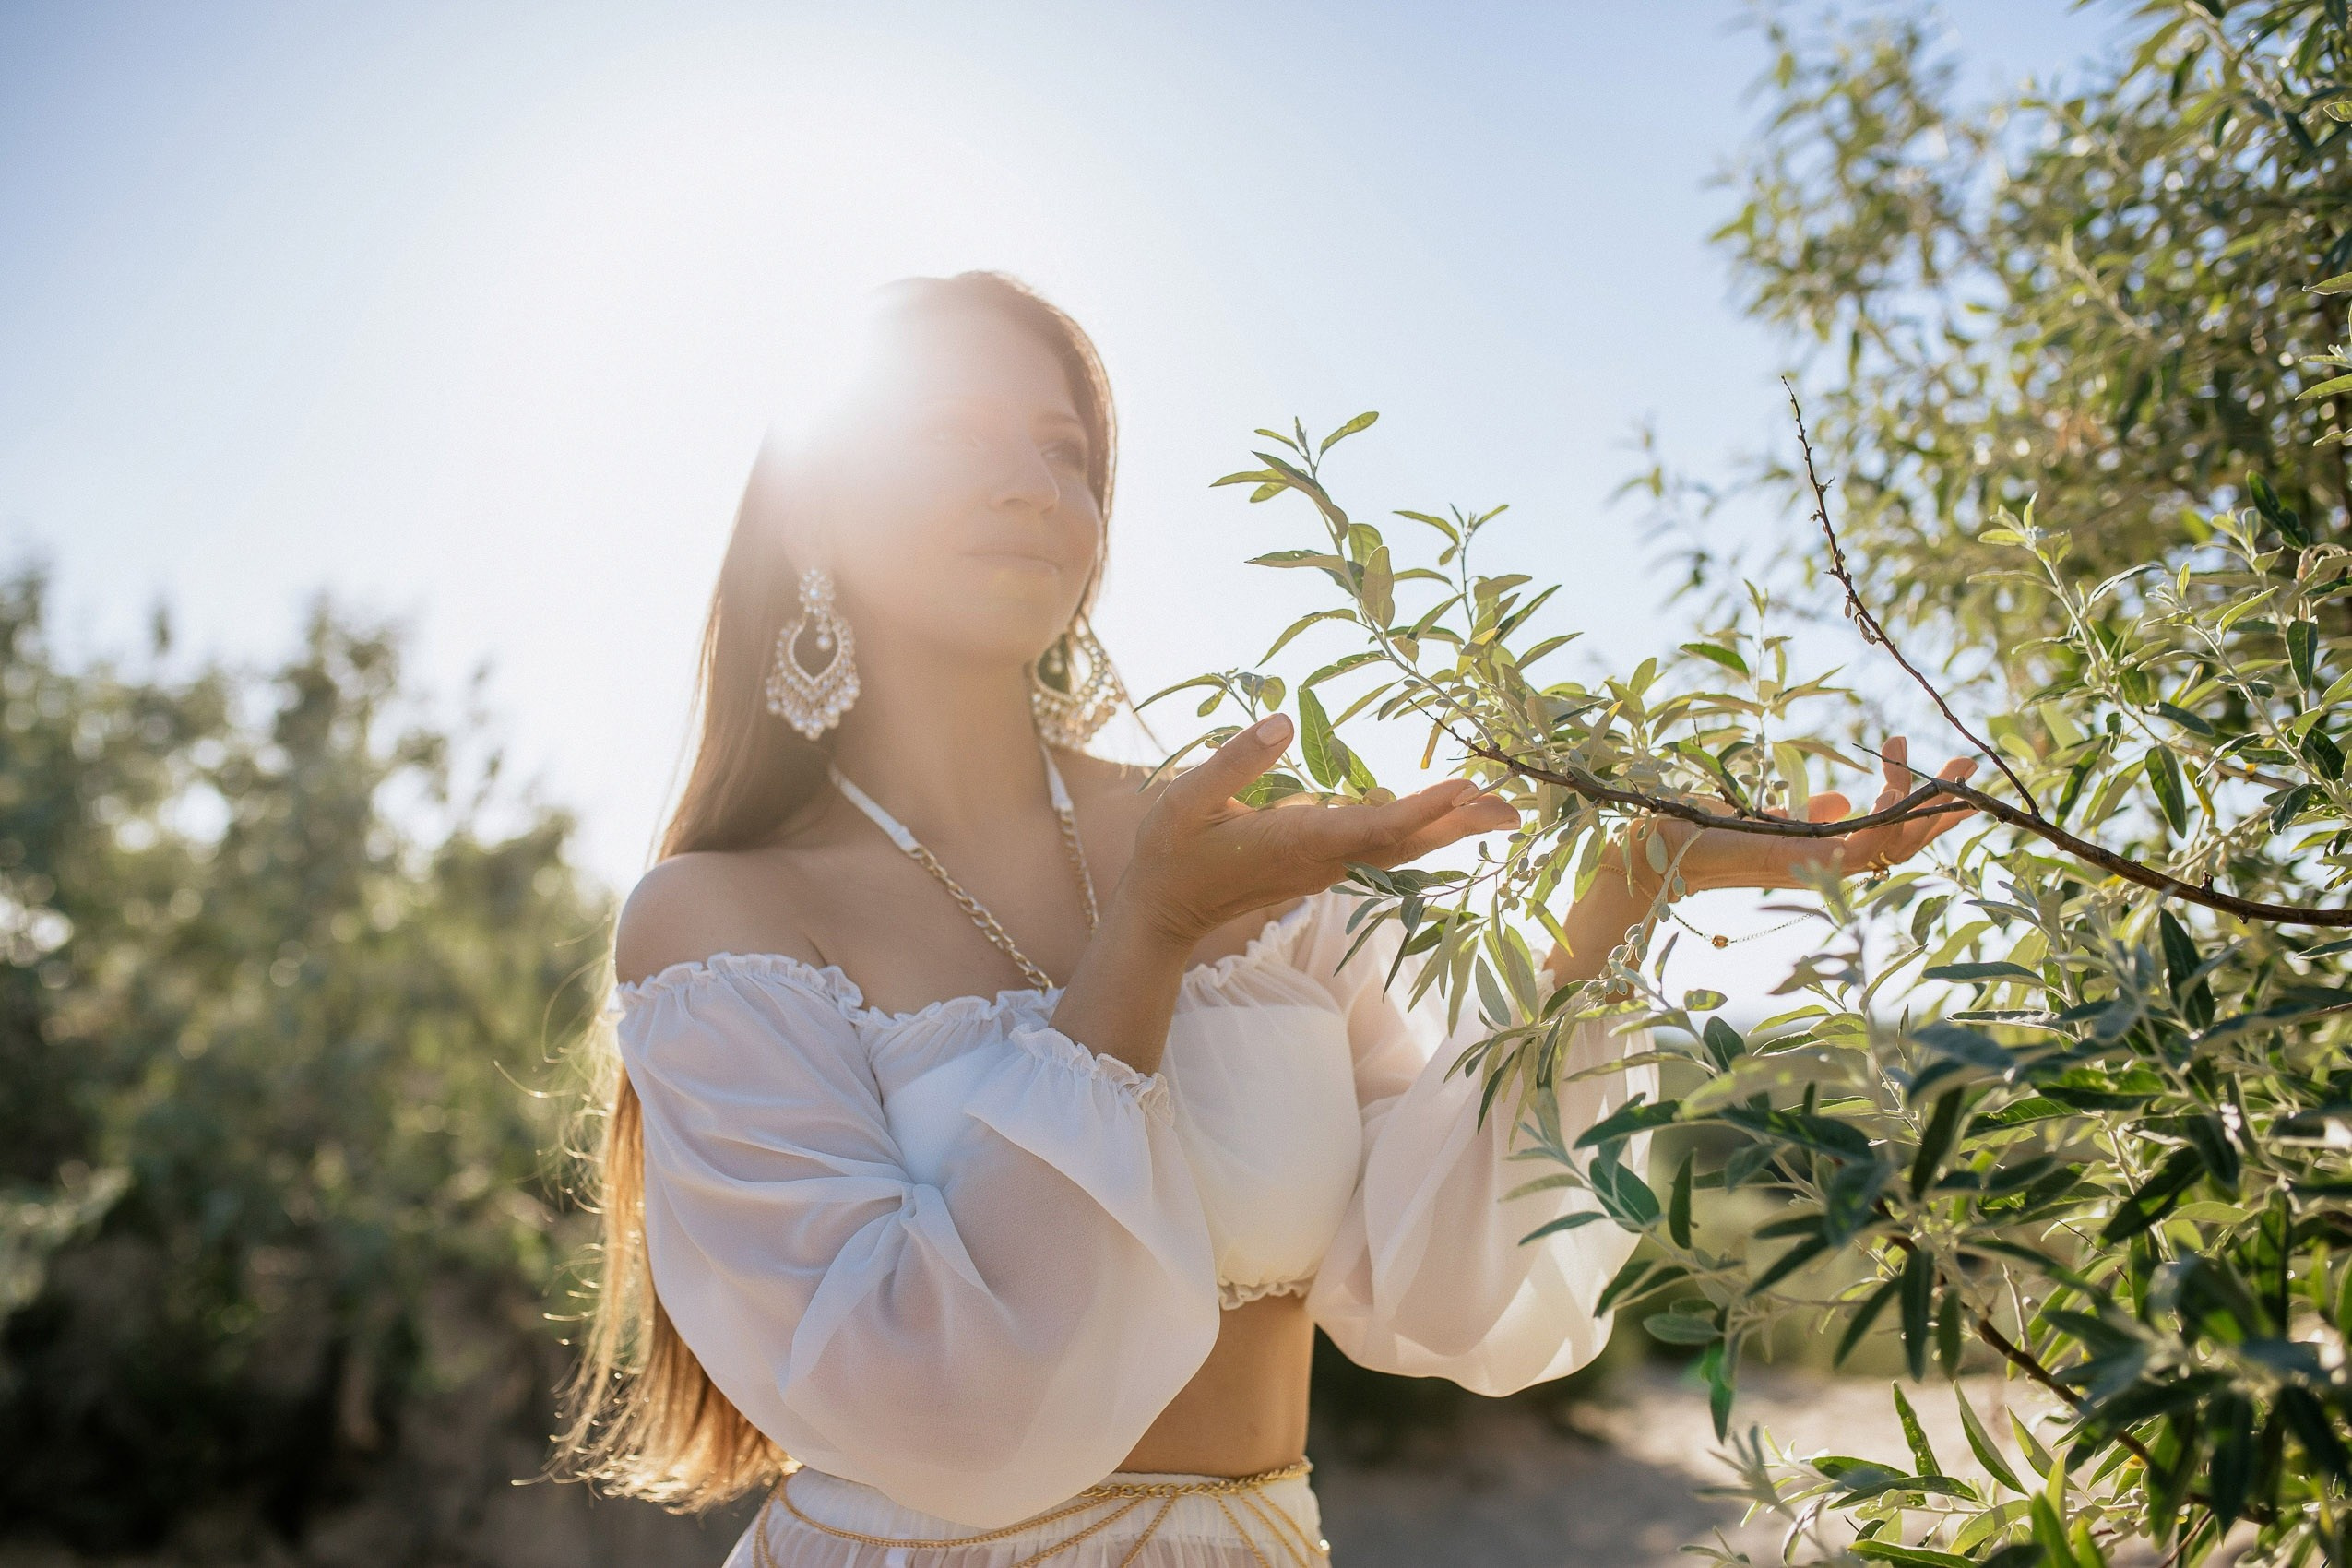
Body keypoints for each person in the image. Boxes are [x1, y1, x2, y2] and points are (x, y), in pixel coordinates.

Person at [554, 271, 1975, 1566]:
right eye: (954, 435)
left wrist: (1615, 905)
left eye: (1064, 453)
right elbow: (944, 1417)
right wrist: (1147, 945)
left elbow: (1440, 1287)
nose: (1031, 485)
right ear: (812, 507)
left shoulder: (1231, 845)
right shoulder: (719, 921)